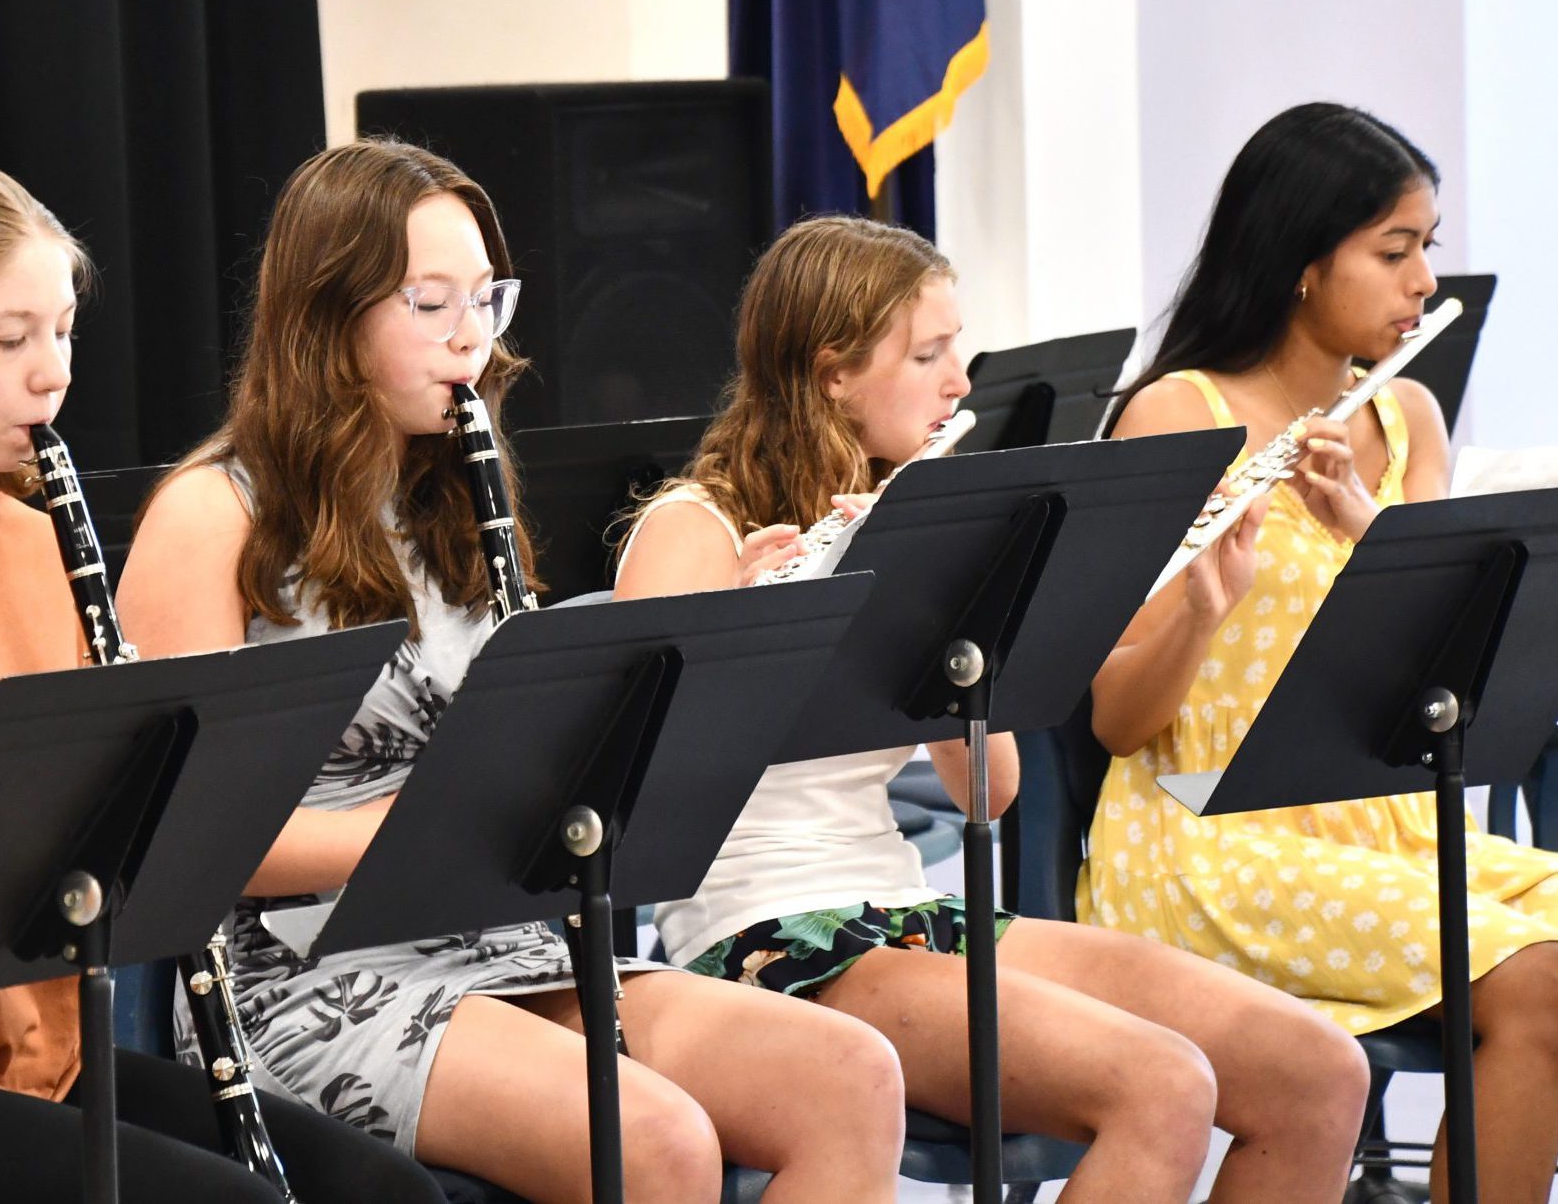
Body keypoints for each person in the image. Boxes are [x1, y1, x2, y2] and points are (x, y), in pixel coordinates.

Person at [118, 141, 908, 1204]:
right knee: (658, 1141)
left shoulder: (454, 498)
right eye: (430, 304)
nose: (469, 340)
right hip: (305, 976)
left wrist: (715, 634)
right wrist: (425, 823)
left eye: (485, 300)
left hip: (497, 938)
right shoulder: (214, 516)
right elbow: (173, 838)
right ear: (325, 317)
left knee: (847, 1075)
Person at [0, 160, 444, 1204]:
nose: (50, 371)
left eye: (61, 332)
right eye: (9, 339)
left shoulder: (35, 535)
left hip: (36, 1055)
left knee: (384, 1191)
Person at [613, 212, 1369, 1202]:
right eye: (927, 353)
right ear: (834, 373)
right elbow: (630, 795)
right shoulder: (691, 527)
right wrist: (762, 626)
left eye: (954, 351)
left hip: (910, 908)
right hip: (768, 932)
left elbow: (993, 792)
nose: (959, 383)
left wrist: (943, 604)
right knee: (1161, 1085)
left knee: (1313, 1069)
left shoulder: (901, 510)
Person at [1088, 103, 1558, 1202]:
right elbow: (1113, 717)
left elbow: (1446, 673)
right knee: (1537, 978)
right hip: (1209, 838)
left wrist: (1371, 542)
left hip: (1383, 827)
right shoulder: (1180, 417)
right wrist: (1204, 605)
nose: (1423, 285)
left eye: (1426, 249)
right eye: (1392, 253)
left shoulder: (1407, 422)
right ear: (1302, 262)